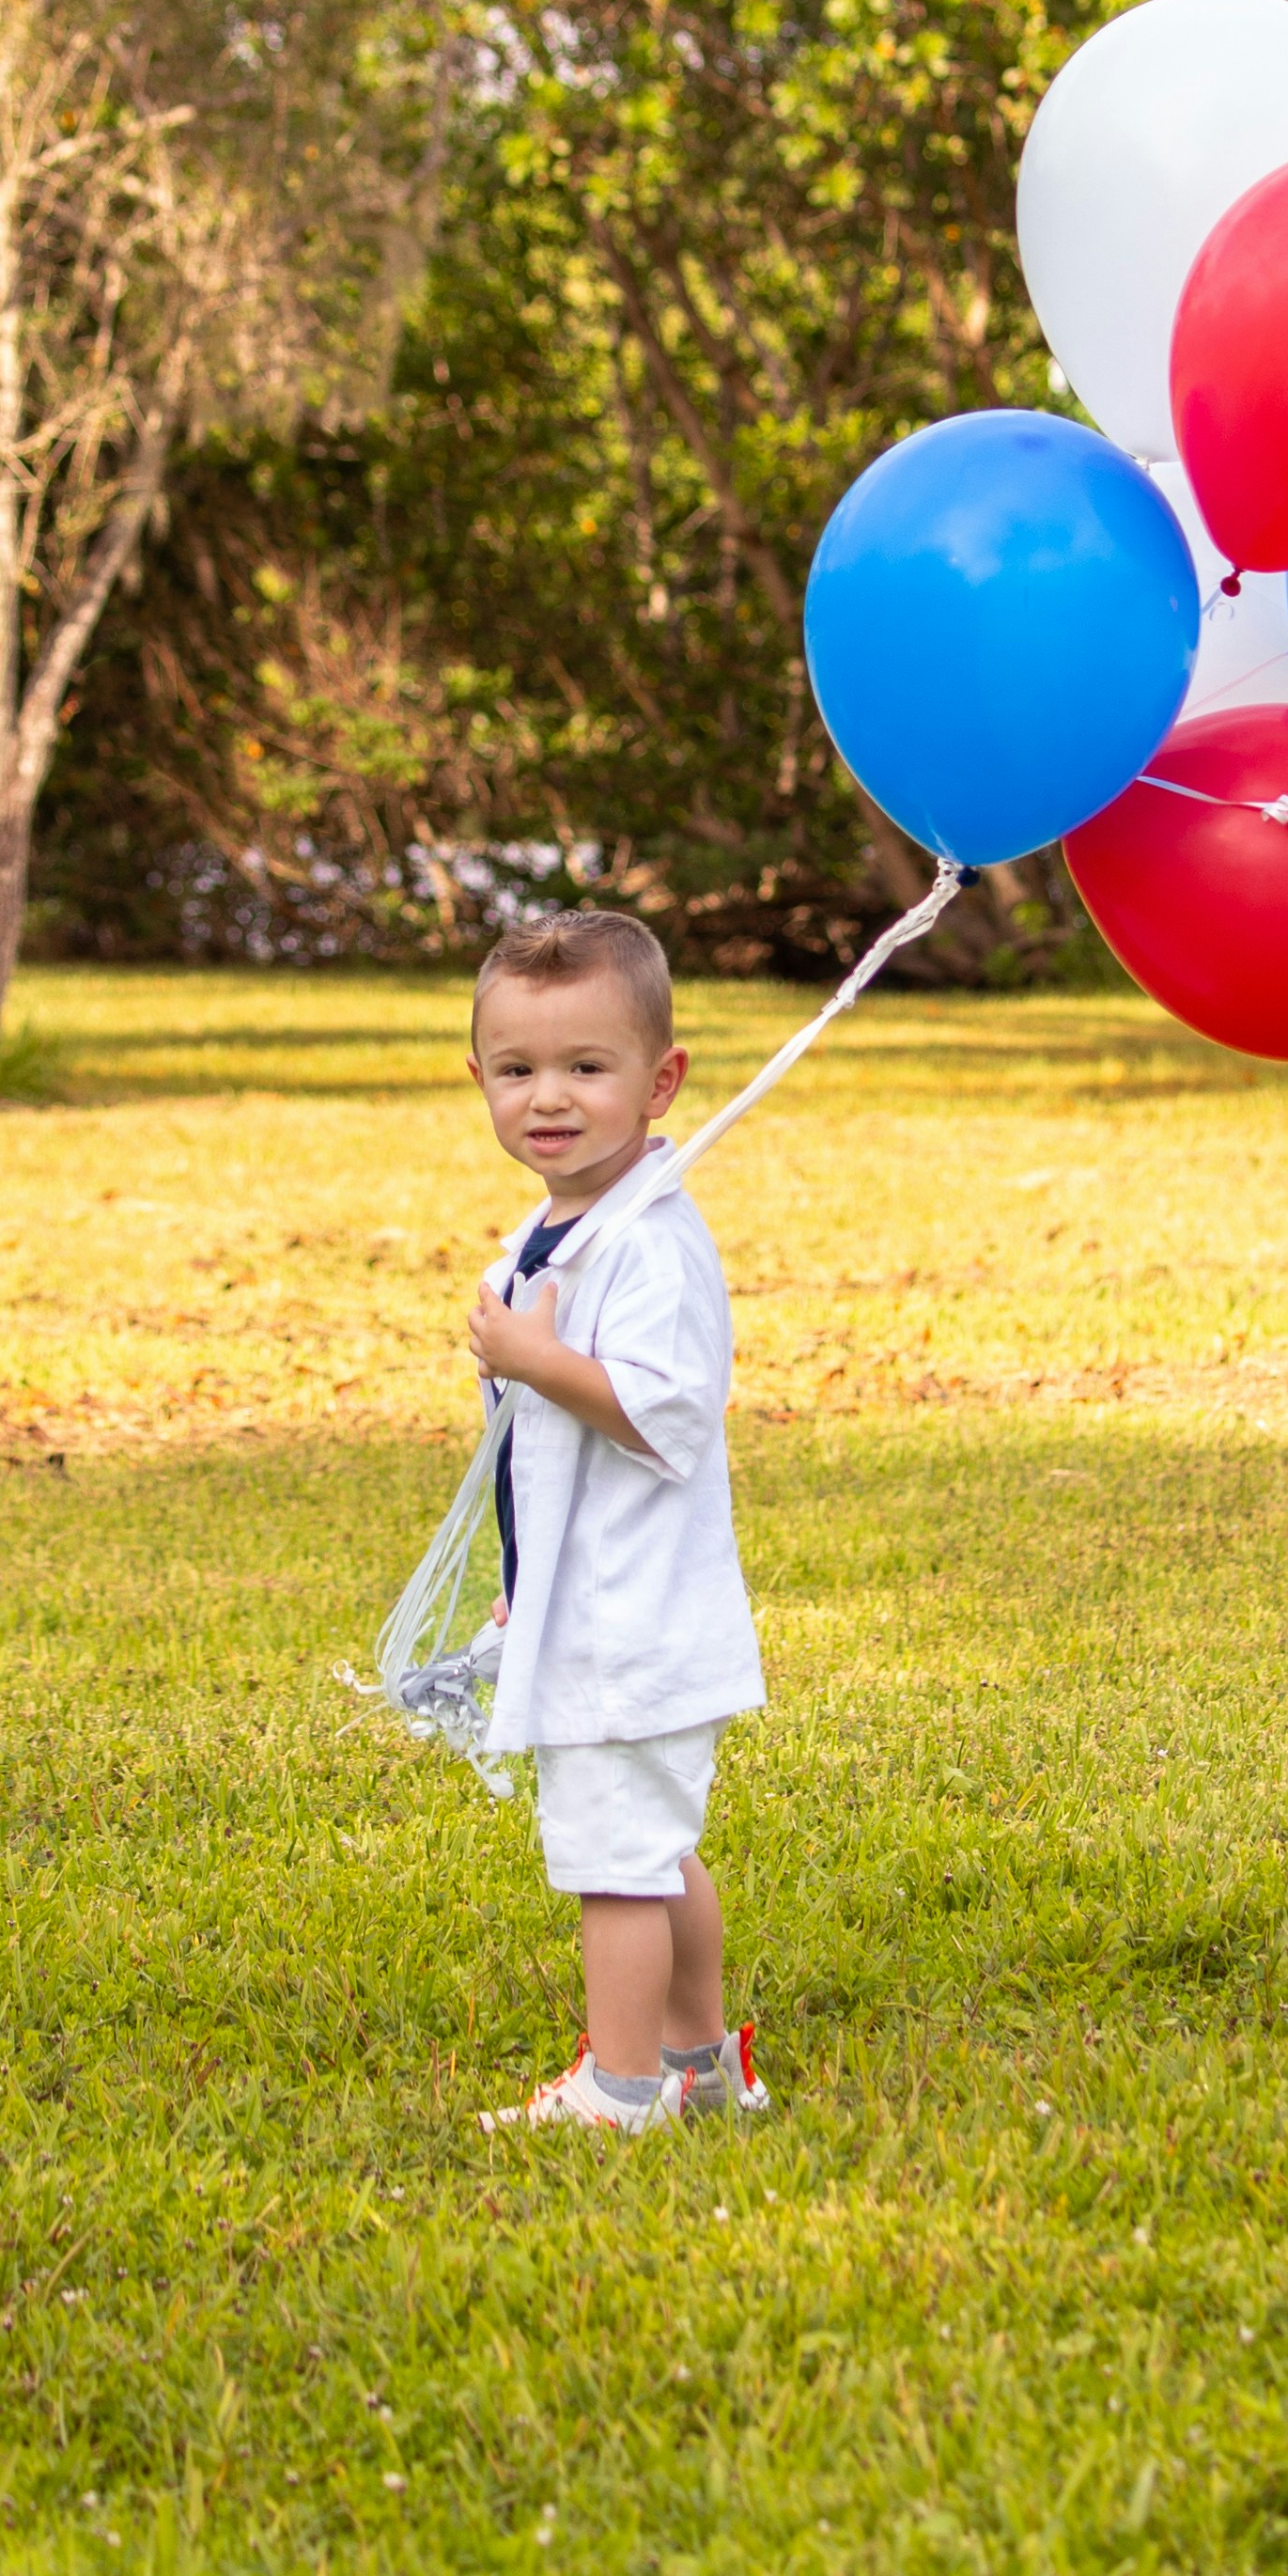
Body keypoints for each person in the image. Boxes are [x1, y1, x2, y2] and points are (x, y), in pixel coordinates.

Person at [464, 905, 769, 2133]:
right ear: (475, 1076)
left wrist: (536, 1360)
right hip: (585, 1602)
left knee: (612, 1861)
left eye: (587, 1067)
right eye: (518, 1068)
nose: (550, 1097)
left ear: (661, 1079)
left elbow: (664, 1414)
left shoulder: (647, 1246)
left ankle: (623, 2084)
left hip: (628, 1621)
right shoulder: (554, 1227)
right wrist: (521, 1578)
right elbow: (535, 1464)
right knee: (656, 1844)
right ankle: (700, 2062)